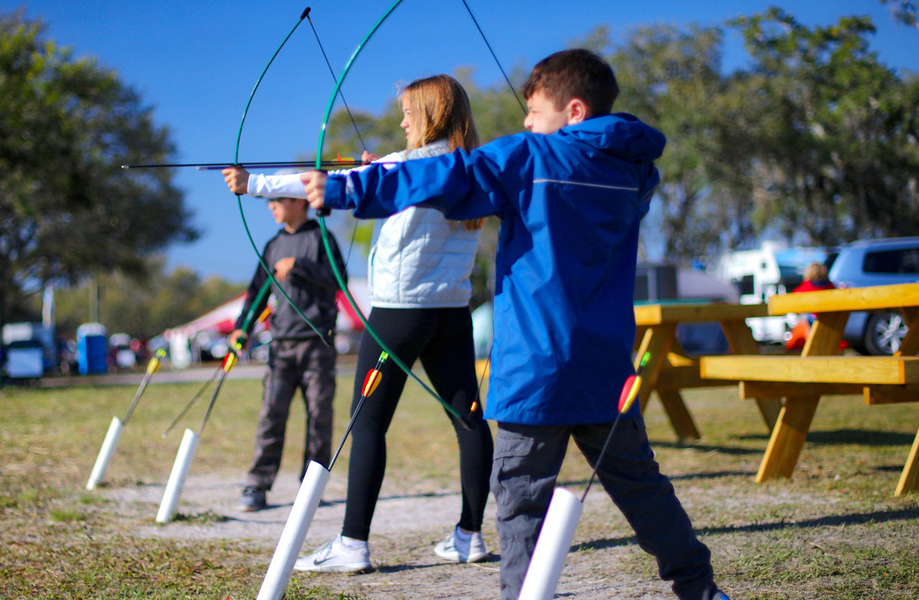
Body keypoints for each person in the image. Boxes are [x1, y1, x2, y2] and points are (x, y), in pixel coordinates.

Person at [303, 50, 728, 600]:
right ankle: (700, 590)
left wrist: (348, 188)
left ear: (573, 110)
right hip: (605, 368)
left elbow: (450, 173)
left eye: (533, 111)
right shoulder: (635, 172)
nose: (525, 122)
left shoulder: (530, 156)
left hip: (535, 370)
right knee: (641, 485)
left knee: (521, 499)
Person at [222, 74, 495, 573]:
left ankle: (352, 544)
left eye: (409, 112)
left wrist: (253, 183)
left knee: (367, 423)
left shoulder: (405, 165)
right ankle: (469, 536)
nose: (401, 120)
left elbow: (328, 186)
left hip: (398, 313)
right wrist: (381, 172)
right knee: (469, 419)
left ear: (431, 114)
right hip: (452, 309)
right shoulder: (472, 168)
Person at [229, 182, 346, 513]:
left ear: (298, 201)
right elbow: (256, 291)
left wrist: (299, 266)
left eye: (276, 200)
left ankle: (311, 487)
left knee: (319, 417)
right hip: (281, 346)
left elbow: (339, 279)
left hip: (317, 345)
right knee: (271, 414)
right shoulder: (273, 245)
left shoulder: (322, 238)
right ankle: (257, 484)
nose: (270, 207)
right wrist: (242, 327)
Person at [786, 262, 839, 351]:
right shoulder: (830, 286)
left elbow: (793, 299)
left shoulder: (807, 286)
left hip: (813, 322)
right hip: (831, 324)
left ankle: (809, 348)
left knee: (806, 319)